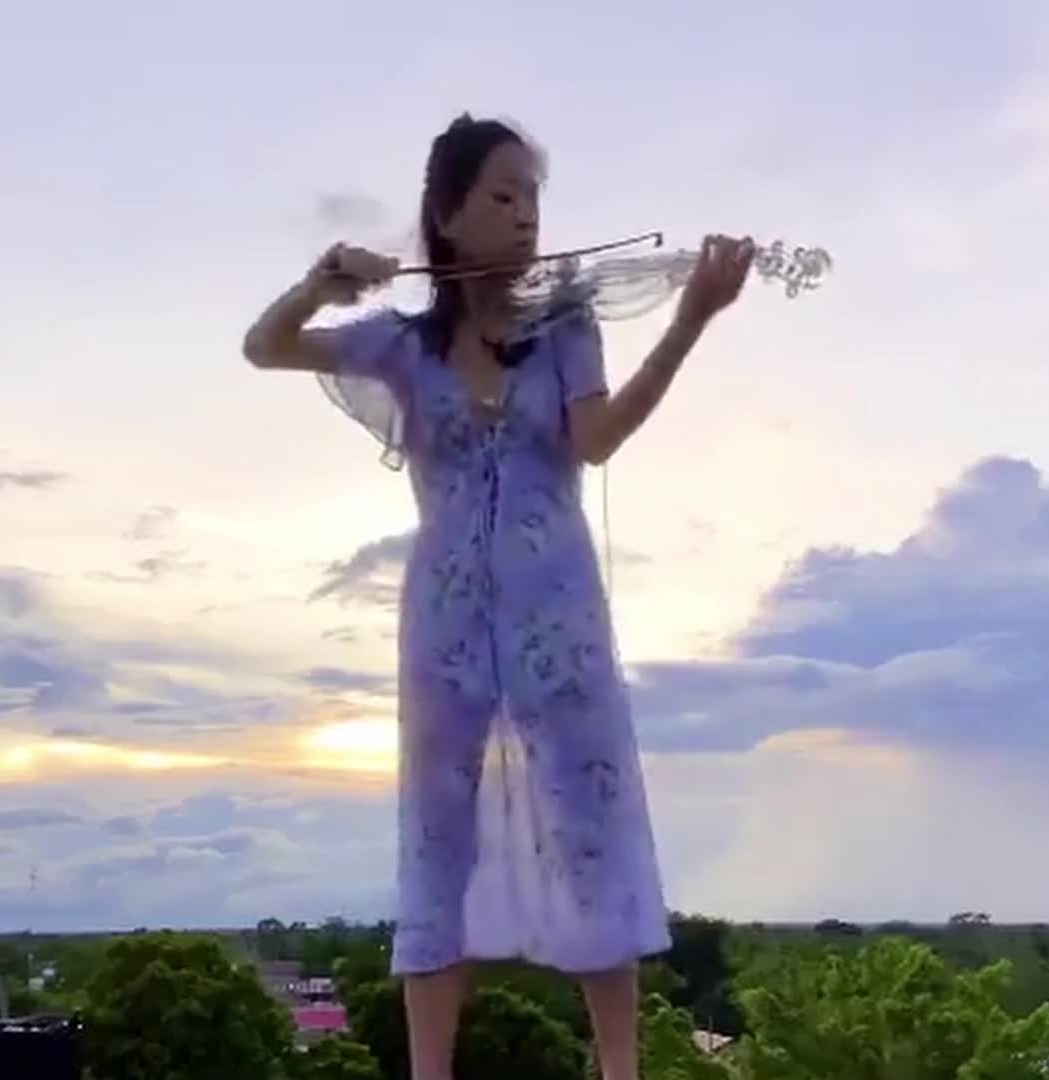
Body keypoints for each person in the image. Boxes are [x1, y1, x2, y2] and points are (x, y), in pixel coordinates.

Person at [242, 113, 754, 1080]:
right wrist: (321, 283)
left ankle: (621, 1071)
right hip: (443, 621)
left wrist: (690, 318)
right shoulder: (401, 345)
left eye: (533, 199)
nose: (525, 217)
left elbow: (596, 440)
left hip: (559, 614)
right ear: (447, 213)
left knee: (589, 825)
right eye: (503, 196)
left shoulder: (565, 325)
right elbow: (265, 347)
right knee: (436, 838)